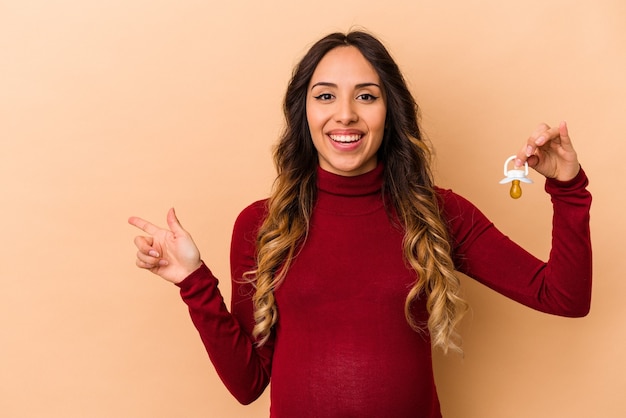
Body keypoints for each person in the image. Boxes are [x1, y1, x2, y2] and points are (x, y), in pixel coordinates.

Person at [128, 31, 592, 418]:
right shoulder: (262, 225)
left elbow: (564, 297)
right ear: (303, 113)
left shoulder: (437, 213)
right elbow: (248, 383)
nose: (345, 113)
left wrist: (568, 188)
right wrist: (193, 282)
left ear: (389, 112)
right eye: (325, 95)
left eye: (365, 96)